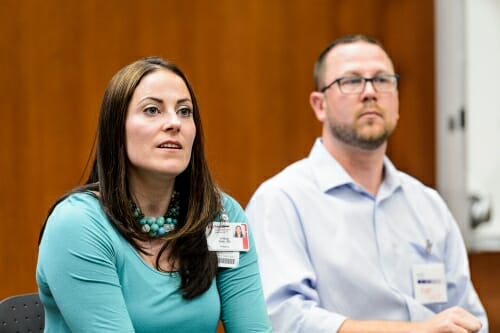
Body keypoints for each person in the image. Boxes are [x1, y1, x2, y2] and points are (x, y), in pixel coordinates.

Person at [245, 35, 488, 333]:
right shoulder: (281, 200)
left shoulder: (428, 205)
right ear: (319, 105)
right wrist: (415, 331)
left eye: (382, 80)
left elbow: (469, 316)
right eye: (351, 81)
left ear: (397, 99)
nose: (370, 92)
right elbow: (285, 320)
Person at [36, 57, 272, 332]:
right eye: (152, 110)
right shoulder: (78, 224)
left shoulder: (221, 216)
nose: (174, 123)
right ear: (116, 128)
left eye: (185, 111)